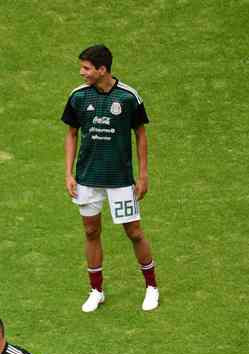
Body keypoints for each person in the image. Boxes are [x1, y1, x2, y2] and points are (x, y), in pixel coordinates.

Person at [62, 44, 159, 313]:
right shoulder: (78, 97)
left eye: (86, 68)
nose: (82, 72)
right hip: (87, 179)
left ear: (102, 69)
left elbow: (140, 134)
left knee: (134, 232)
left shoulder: (128, 97)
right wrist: (69, 173)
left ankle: (151, 287)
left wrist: (143, 174)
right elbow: (71, 134)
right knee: (91, 231)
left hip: (120, 180)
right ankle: (96, 291)